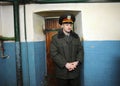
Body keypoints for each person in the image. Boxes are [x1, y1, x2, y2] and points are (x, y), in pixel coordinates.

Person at [50, 13, 84, 86]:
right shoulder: (55, 38)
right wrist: (66, 64)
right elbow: (54, 54)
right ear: (62, 25)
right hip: (62, 73)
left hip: (75, 71)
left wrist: (76, 62)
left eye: (70, 25)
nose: (69, 27)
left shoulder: (76, 37)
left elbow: (80, 50)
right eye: (67, 25)